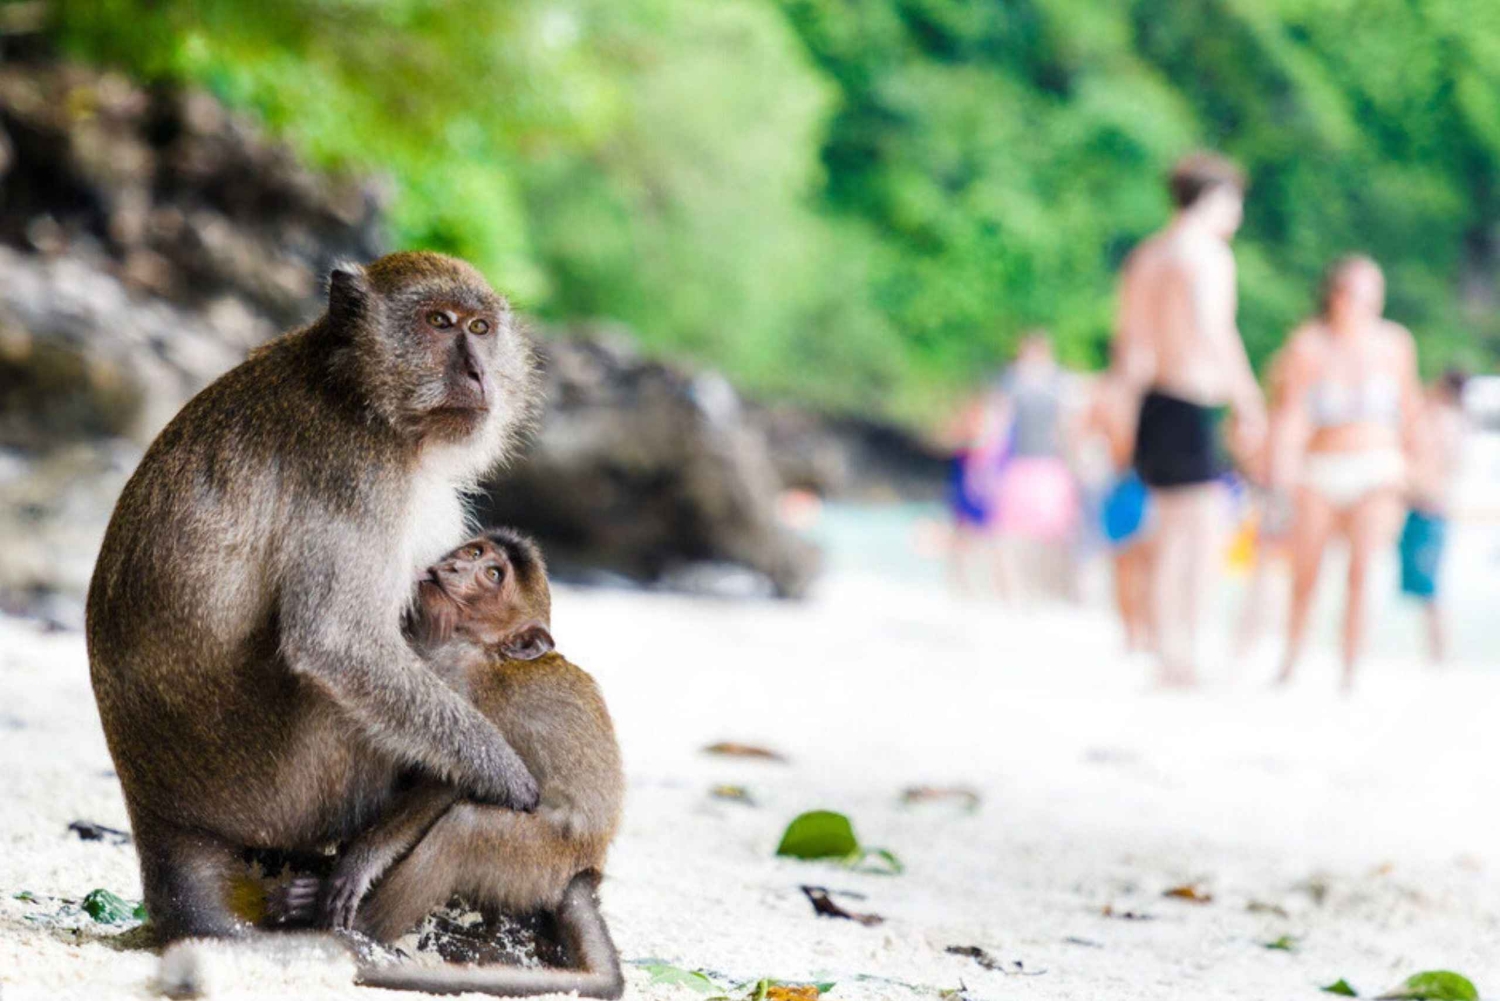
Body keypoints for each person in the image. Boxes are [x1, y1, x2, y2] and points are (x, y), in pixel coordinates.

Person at [1115, 152, 1265, 687]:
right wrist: (1248, 399)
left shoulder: (1148, 255)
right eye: (1235, 201)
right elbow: (1214, 329)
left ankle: (1166, 650)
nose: (1238, 214)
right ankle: (1188, 647)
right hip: (1193, 399)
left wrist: (1121, 412)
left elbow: (1129, 344)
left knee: (1169, 528)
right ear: (1213, 197)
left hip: (1154, 401)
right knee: (1204, 533)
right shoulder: (1206, 254)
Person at [1268, 256, 1423, 691]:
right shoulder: (1310, 345)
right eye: (1357, 292)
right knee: (1307, 572)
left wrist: (1414, 465)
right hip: (1321, 466)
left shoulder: (1395, 343)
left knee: (1362, 570)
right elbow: (1291, 413)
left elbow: (1409, 408)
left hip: (1378, 467)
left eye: (1374, 292)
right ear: (1335, 295)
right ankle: (1291, 657)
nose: (1367, 302)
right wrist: (1281, 475)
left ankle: (1350, 669)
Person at [991, 331, 1081, 599]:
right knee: (1010, 532)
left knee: (1057, 532)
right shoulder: (1012, 381)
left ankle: (1052, 589)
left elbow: (1068, 427)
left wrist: (1075, 463)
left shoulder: (1060, 383)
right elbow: (999, 424)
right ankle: (1014, 592)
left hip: (1050, 465)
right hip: (1021, 464)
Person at [1082, 354, 1156, 653]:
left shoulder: (1109, 393)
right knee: (1137, 564)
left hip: (1127, 483)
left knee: (1131, 565)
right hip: (1134, 483)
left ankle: (1136, 634)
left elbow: (1089, 431)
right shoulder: (1125, 395)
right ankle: (1138, 633)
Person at [1399, 368, 1469, 664]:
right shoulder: (1449, 421)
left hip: (1426, 508)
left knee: (1430, 589)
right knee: (1428, 588)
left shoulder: (1443, 422)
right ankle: (1436, 655)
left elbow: (1435, 469)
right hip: (1421, 506)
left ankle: (1438, 656)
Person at [944, 386, 1011, 596]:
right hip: (972, 481)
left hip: (980, 484)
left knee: (991, 540)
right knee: (971, 537)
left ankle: (995, 592)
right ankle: (964, 589)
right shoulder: (983, 425)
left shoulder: (992, 429)